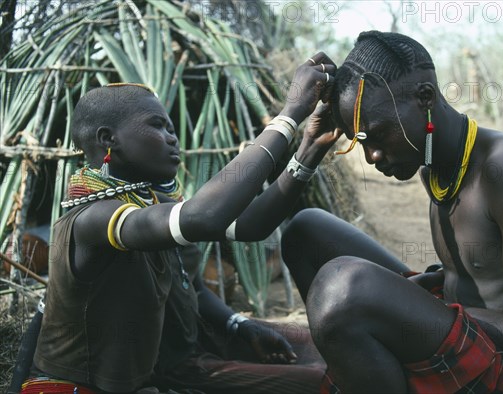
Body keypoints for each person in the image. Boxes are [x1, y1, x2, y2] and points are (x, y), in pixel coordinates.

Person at [281, 31, 503, 393]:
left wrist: (423, 302)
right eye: (361, 142)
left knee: (341, 288)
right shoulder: (432, 164)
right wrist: (432, 287)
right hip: (468, 329)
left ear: (425, 98)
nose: (372, 157)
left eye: (378, 135)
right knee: (307, 230)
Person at [21, 52, 343, 394]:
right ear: (108, 139)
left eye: (171, 128)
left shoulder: (153, 205)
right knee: (324, 382)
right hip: (87, 388)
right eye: (157, 126)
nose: (172, 137)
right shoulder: (93, 218)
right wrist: (289, 115)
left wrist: (308, 149)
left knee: (327, 348)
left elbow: (248, 227)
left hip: (174, 365)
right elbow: (203, 217)